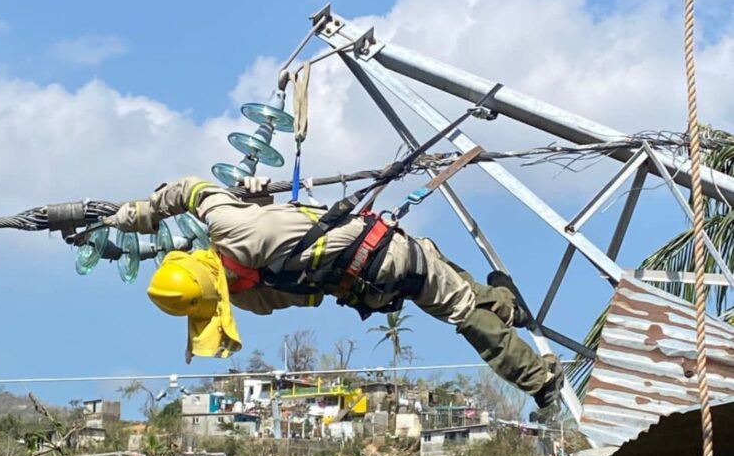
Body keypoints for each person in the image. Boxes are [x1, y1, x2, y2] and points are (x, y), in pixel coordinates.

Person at [103, 175, 563, 408]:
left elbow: (311, 292)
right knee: (463, 309)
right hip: (392, 254)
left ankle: (506, 305)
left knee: (443, 273)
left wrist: (261, 206)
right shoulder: (231, 225)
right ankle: (540, 382)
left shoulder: (251, 297)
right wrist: (140, 214)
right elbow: (189, 189)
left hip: (374, 289)